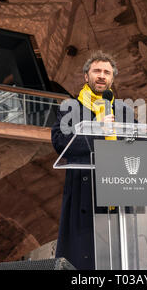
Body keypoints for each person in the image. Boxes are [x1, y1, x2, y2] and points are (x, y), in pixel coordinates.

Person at [51, 50, 134, 270]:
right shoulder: (71, 107)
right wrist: (99, 132)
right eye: (96, 70)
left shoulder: (124, 111)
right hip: (83, 193)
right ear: (86, 76)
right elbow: (60, 142)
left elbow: (139, 144)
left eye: (107, 72)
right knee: (83, 259)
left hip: (119, 190)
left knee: (119, 261)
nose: (101, 75)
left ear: (112, 79)